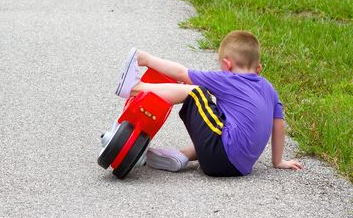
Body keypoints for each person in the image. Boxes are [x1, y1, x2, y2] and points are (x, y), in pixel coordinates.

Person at [114, 30, 303, 176]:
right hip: (240, 168)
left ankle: (135, 88)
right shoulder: (269, 89)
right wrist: (278, 161)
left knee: (196, 92)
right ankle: (183, 155)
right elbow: (278, 125)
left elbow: (182, 74)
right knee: (223, 123)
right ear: (258, 68)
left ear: (227, 64)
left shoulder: (227, 78)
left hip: (219, 158)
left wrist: (147, 59)